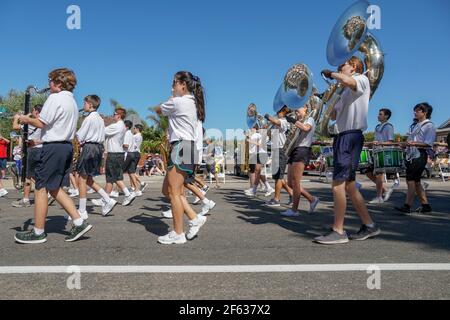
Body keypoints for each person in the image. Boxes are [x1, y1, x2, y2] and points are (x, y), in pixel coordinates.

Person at [14, 68, 92, 244]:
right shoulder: (71, 101)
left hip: (53, 147)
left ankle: (38, 232)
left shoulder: (55, 98)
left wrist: (24, 119)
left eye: (50, 80)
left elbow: (41, 123)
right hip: (65, 147)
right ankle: (79, 221)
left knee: (41, 187)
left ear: (58, 83)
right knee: (54, 187)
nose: (48, 84)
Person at [315, 57, 381, 245]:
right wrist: (327, 100)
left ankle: (338, 231)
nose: (339, 67)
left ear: (353, 67)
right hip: (342, 136)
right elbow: (334, 114)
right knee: (350, 186)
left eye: (343, 64)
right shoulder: (344, 91)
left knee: (337, 184)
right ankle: (369, 225)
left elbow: (348, 81)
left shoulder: (361, 79)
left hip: (350, 136)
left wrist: (331, 74)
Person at [156, 71, 208, 244]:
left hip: (181, 146)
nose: (172, 86)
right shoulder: (192, 101)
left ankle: (178, 233)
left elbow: (158, 110)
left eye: (174, 83)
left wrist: (170, 97)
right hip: (187, 147)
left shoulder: (178, 102)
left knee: (175, 193)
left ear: (183, 85)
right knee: (169, 191)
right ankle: (194, 217)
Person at [74, 95, 117, 219]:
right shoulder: (99, 118)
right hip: (98, 148)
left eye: (85, 103)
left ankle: (82, 210)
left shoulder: (89, 119)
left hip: (89, 148)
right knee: (88, 179)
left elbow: (80, 136)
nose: (84, 105)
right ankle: (108, 200)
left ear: (90, 104)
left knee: (81, 179)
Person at [395, 103, 436, 214]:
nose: (415, 112)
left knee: (410, 180)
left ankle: (407, 206)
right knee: (416, 182)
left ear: (425, 112)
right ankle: (425, 205)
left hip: (420, 155)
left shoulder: (429, 125)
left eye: (417, 111)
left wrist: (414, 143)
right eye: (415, 110)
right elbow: (411, 140)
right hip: (412, 155)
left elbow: (428, 144)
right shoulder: (415, 125)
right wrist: (405, 144)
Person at [281, 104, 320, 216]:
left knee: (295, 182)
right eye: (295, 112)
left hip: (303, 150)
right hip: (294, 150)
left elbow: (306, 128)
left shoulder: (310, 119)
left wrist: (294, 121)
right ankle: (312, 199)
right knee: (290, 183)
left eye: (298, 111)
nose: (297, 114)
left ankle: (294, 210)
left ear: (305, 108)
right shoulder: (298, 121)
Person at [101, 108, 136, 212]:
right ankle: (106, 198)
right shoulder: (121, 126)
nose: (113, 116)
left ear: (119, 116)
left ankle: (126, 194)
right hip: (118, 153)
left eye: (114, 114)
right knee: (112, 177)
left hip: (114, 154)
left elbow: (102, 131)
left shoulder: (116, 126)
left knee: (113, 177)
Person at [11, 104, 44, 207]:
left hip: (32, 151)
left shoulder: (31, 123)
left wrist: (16, 118)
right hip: (43, 150)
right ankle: (44, 196)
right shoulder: (44, 122)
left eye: (33, 110)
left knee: (27, 176)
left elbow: (15, 126)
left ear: (36, 112)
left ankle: (25, 200)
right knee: (40, 175)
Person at [366, 108, 395, 204]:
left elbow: (390, 141)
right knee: (369, 173)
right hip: (376, 152)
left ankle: (379, 197)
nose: (378, 115)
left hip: (383, 153)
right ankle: (385, 190)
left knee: (379, 175)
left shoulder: (389, 126)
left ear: (386, 116)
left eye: (380, 114)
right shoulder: (377, 127)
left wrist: (379, 143)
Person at [123, 120, 142, 196]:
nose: (133, 130)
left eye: (134, 128)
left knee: (128, 171)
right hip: (137, 153)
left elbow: (127, 144)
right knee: (131, 171)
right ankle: (134, 187)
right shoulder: (140, 136)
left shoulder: (134, 136)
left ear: (137, 129)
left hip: (132, 153)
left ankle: (136, 186)